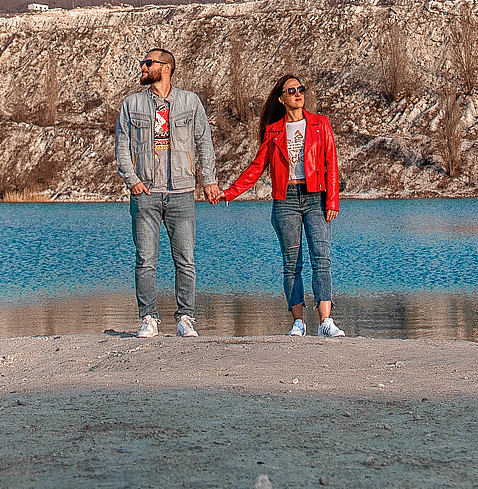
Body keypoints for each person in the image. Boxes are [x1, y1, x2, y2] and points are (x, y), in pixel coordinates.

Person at [220, 74, 344, 337]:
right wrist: (230, 193)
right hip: (285, 199)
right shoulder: (274, 130)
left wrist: (332, 200)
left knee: (321, 259)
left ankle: (325, 322)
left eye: (301, 89)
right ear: (281, 98)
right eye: (291, 91)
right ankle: (298, 322)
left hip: (316, 196)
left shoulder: (320, 124)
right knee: (292, 264)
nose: (298, 94)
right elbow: (256, 167)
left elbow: (331, 163)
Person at [114, 48, 220, 338]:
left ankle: (186, 317)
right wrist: (132, 180)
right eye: (143, 63)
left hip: (182, 191)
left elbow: (204, 143)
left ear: (166, 67)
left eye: (148, 63)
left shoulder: (190, 102)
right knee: (145, 260)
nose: (143, 67)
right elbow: (122, 145)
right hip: (146, 193)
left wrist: (209, 181)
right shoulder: (132, 104)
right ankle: (148, 318)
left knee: (185, 260)